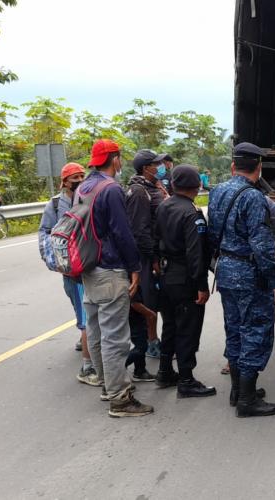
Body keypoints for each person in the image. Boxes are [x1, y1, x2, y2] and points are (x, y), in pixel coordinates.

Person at [207, 142, 275, 418]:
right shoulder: (253, 197)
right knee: (255, 331)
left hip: (225, 272)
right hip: (249, 275)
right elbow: (262, 245)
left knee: (234, 328)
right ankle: (247, 400)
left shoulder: (217, 191)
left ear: (233, 167)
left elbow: (211, 232)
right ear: (259, 168)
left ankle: (237, 391)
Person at [79, 139, 152, 418]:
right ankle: (120, 399)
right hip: (110, 269)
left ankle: (107, 386)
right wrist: (135, 266)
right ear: (115, 159)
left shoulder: (85, 186)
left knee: (96, 330)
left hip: (88, 267)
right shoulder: (110, 189)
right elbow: (123, 233)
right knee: (116, 339)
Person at [154, 165, 216, 398]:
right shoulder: (192, 213)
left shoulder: (164, 206)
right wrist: (201, 285)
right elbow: (195, 253)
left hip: (166, 274)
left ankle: (164, 370)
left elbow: (154, 237)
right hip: (184, 278)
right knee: (188, 328)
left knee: (170, 324)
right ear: (197, 186)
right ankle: (187, 379)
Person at [38, 162, 100, 386]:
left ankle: (86, 343)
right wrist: (53, 260)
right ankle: (88, 365)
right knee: (83, 313)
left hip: (90, 264)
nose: (80, 180)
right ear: (64, 181)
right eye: (75, 177)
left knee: (87, 314)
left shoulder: (88, 197)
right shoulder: (54, 205)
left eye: (83, 175)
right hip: (71, 269)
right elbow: (45, 232)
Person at [125, 149, 169, 378]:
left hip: (154, 254)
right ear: (145, 168)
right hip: (144, 257)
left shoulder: (155, 187)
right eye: (156, 164)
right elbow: (139, 230)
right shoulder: (140, 192)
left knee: (154, 302)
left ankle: (145, 353)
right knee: (146, 304)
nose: (160, 166)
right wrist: (151, 259)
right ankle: (146, 347)